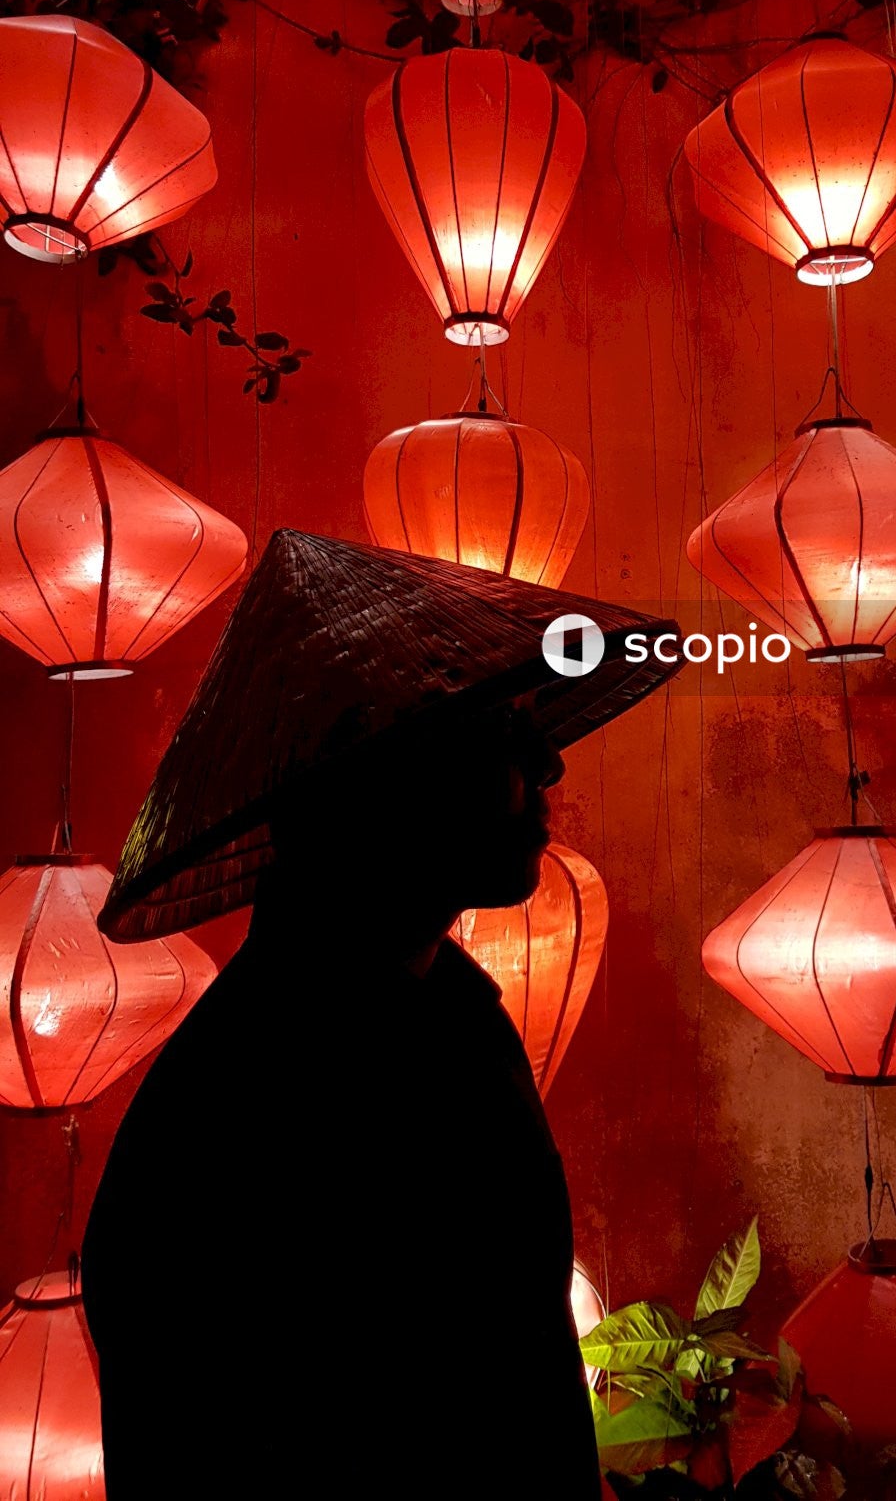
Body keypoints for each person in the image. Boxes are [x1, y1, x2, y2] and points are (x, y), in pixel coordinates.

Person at [81, 529, 680, 1498]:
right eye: (500, 729)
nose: (548, 765)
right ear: (381, 776)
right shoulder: (249, 1106)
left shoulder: (442, 1015)